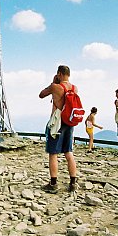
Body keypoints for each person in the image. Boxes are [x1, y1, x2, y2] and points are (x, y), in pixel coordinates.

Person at [39, 65, 78, 193]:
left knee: (53, 153)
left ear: (59, 74)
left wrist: (53, 82)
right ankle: (73, 183)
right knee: (68, 152)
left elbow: (41, 94)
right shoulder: (74, 88)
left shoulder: (55, 87)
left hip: (57, 122)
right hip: (69, 122)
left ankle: (53, 184)